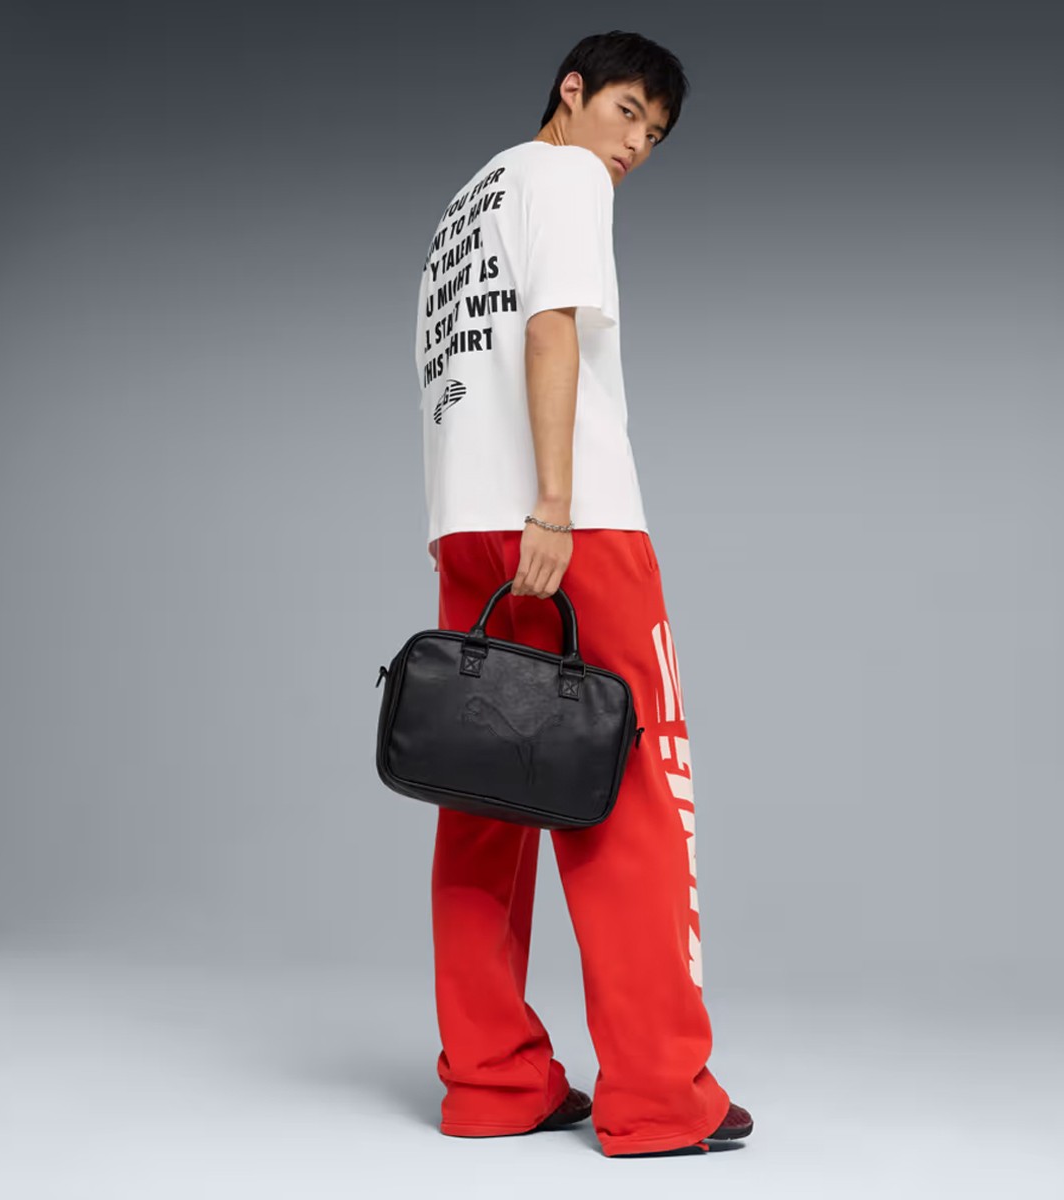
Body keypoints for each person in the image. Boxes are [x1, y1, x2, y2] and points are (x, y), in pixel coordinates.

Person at [412, 29, 753, 1157]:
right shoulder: (562, 177)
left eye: (655, 133)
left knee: (483, 801)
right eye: (626, 111)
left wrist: (483, 522)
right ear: (573, 91)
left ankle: (491, 1081)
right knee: (639, 791)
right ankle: (658, 1094)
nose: (636, 145)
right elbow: (548, 331)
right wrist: (554, 505)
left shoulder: (465, 209)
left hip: (468, 530)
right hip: (573, 526)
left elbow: (452, 378)